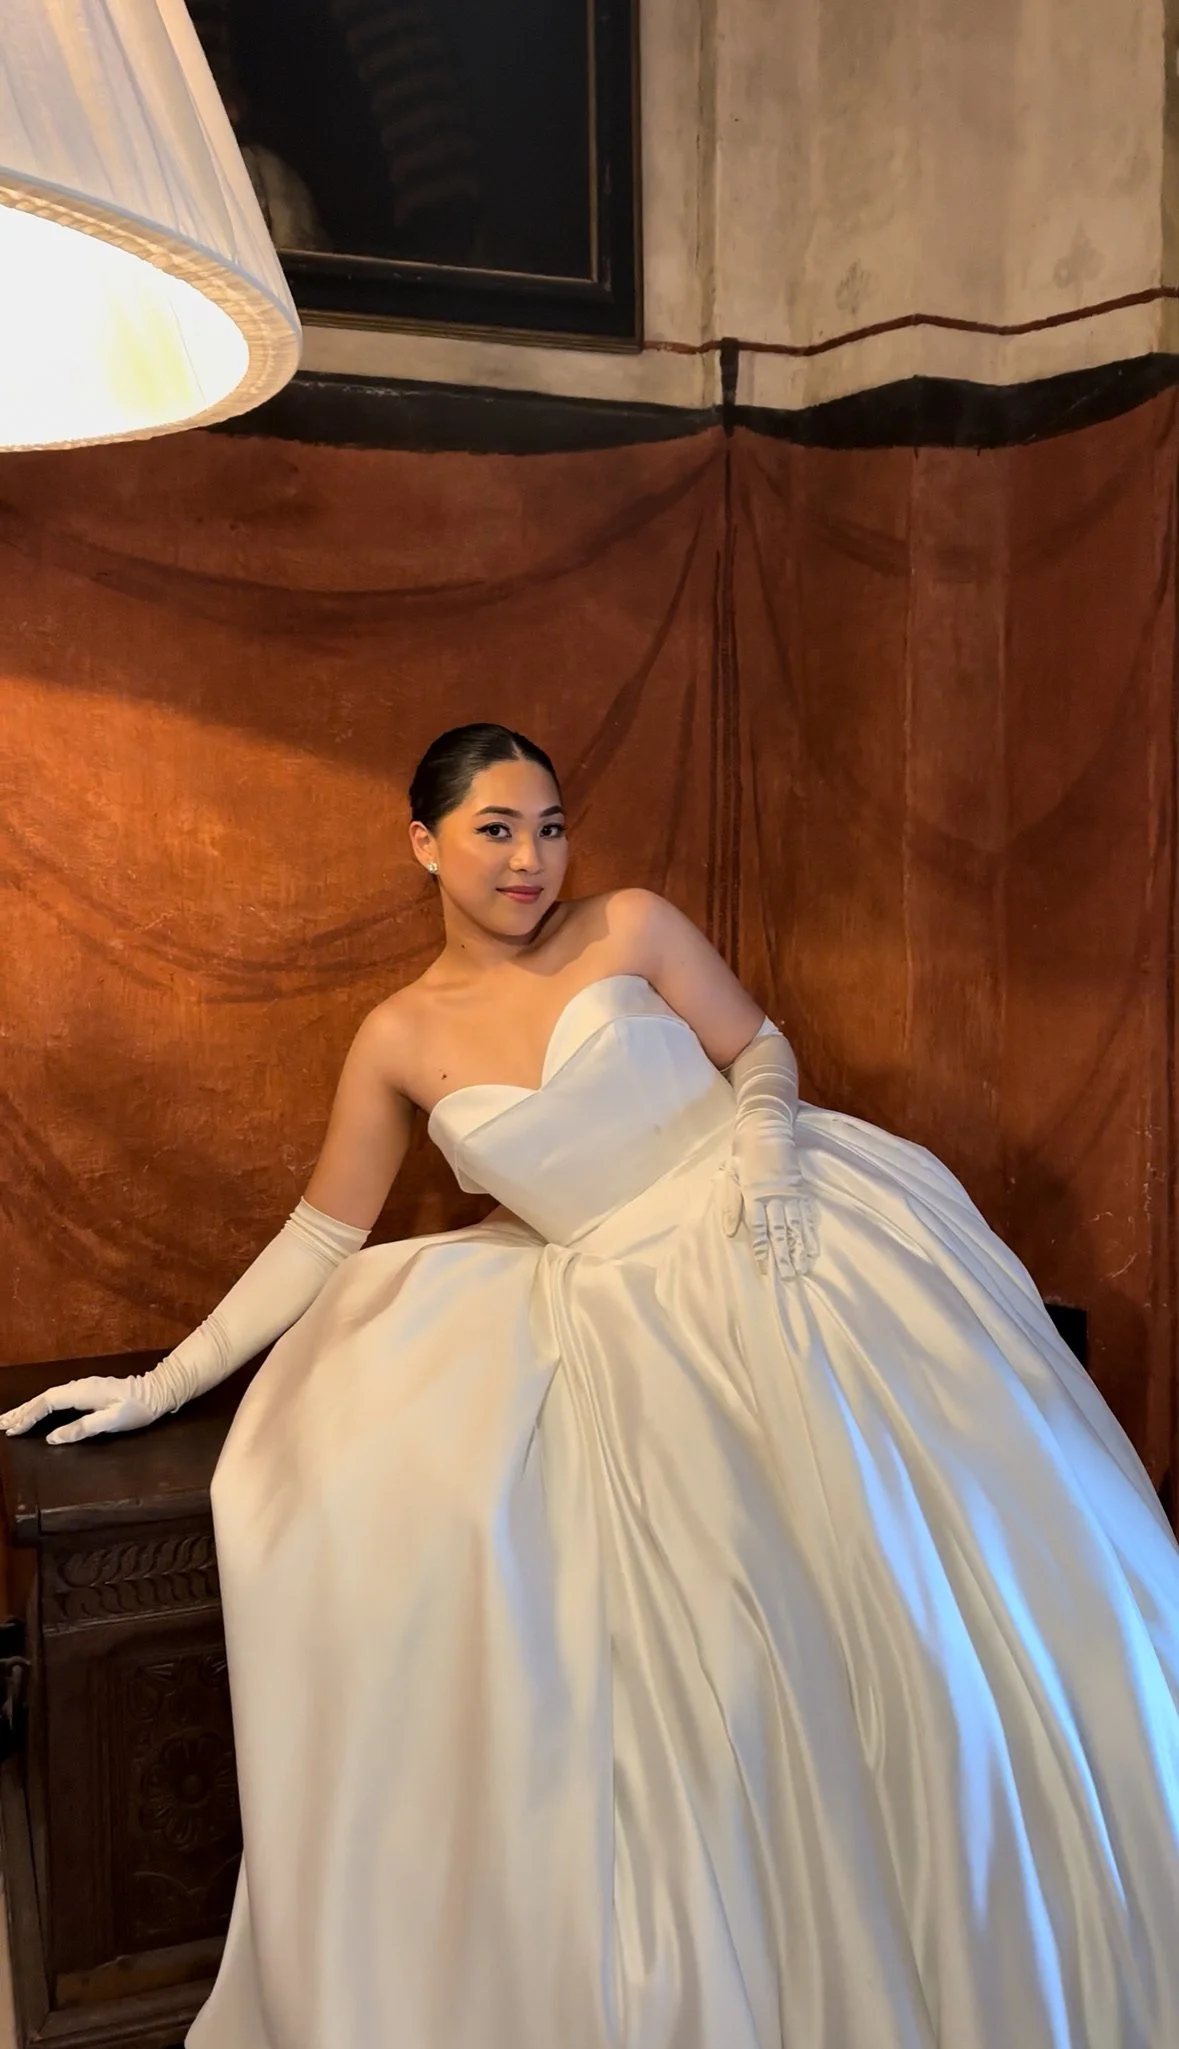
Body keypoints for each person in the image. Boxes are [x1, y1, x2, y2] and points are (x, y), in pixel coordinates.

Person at [5, 721, 1179, 2049]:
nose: (528, 860)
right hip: (617, 1307)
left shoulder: (629, 925)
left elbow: (758, 1051)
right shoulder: (397, 1034)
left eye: (549, 826)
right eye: (495, 830)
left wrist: (771, 1163)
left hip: (778, 1238)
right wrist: (160, 1384)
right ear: (424, 844)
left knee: (922, 1578)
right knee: (720, 1637)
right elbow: (321, 1238)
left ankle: (996, 1873)